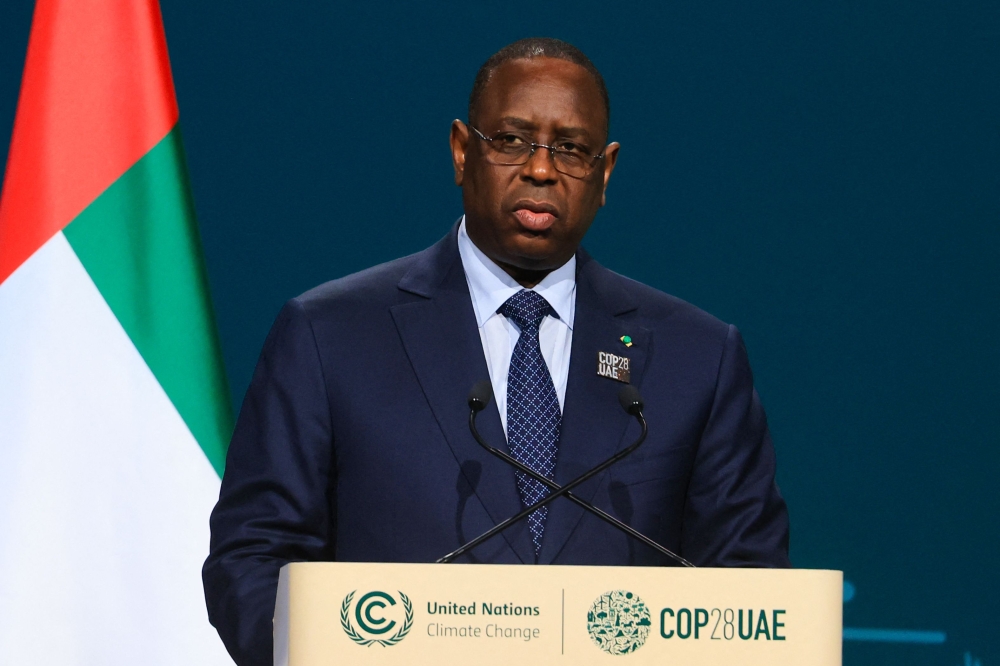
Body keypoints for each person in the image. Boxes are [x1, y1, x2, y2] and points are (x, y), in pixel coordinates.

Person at [203, 37, 790, 666]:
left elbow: (747, 584)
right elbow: (254, 557)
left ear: (605, 171)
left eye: (570, 148)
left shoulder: (697, 357)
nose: (541, 170)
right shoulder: (329, 335)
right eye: (511, 140)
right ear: (462, 151)